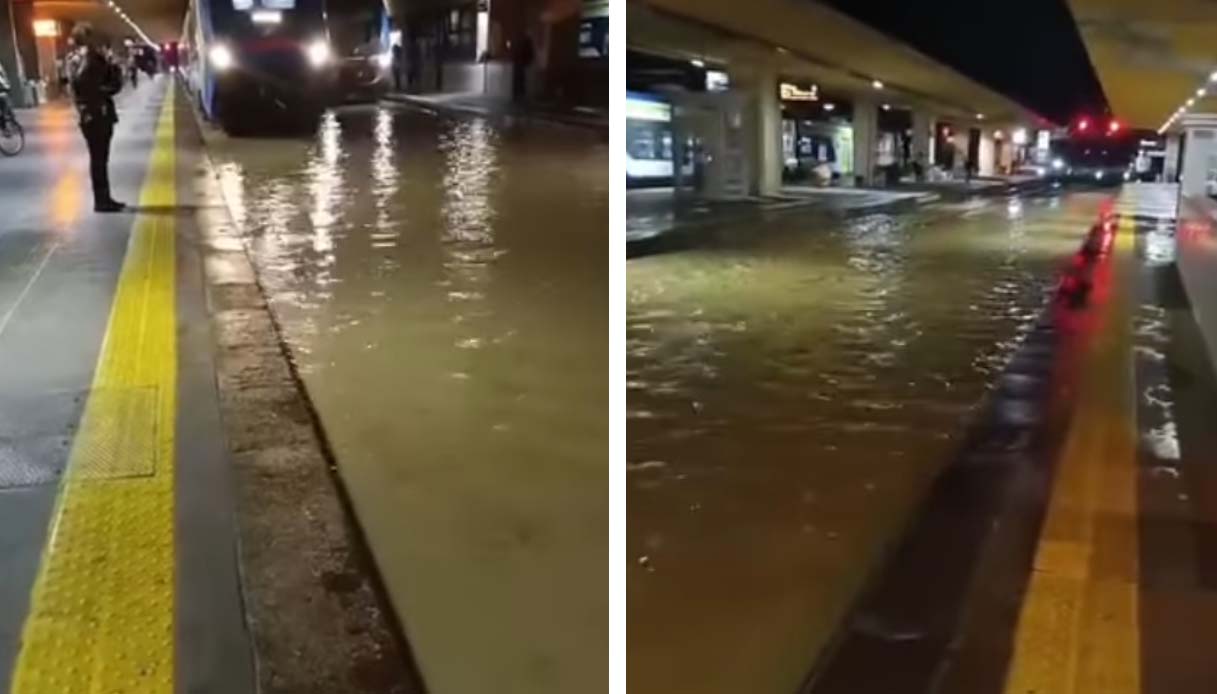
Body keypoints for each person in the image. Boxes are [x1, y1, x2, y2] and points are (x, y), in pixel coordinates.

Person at [67, 24, 125, 213]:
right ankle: (102, 200)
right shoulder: (93, 59)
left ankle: (103, 198)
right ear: (88, 38)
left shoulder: (73, 60)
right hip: (99, 113)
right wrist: (114, 68)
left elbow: (76, 89)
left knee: (97, 159)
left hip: (87, 115)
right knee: (100, 159)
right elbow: (112, 85)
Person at [511, 33, 534, 103]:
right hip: (521, 62)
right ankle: (519, 94)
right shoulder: (525, 42)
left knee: (518, 79)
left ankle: (517, 94)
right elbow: (530, 53)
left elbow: (515, 52)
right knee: (520, 79)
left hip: (519, 62)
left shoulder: (520, 42)